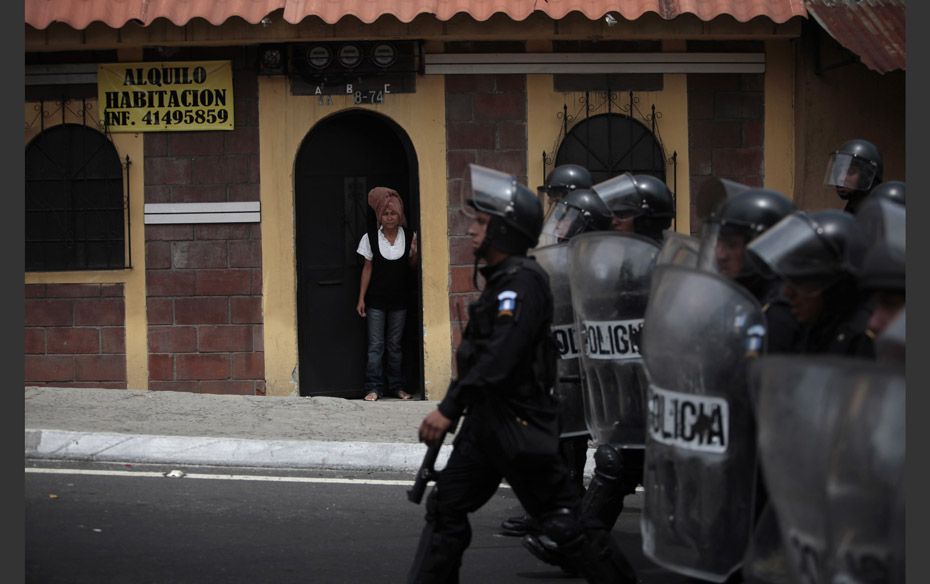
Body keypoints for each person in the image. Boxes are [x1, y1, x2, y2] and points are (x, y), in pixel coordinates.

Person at [408, 164, 636, 584]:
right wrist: (456, 411)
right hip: (486, 424)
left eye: (481, 223)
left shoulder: (523, 283)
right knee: (447, 508)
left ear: (503, 232)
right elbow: (478, 359)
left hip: (519, 424)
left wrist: (447, 409)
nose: (473, 231)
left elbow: (501, 357)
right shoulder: (502, 282)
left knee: (565, 524)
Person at [500, 186, 613, 538]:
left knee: (570, 447)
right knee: (556, 444)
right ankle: (559, 511)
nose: (559, 223)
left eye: (567, 217)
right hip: (557, 366)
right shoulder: (556, 257)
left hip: (579, 368)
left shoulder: (594, 263)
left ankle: (567, 524)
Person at [746, 209, 873, 357]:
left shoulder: (862, 342)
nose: (787, 293)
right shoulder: (819, 326)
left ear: (839, 288)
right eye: (787, 280)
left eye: (802, 283)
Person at [707, 187, 799, 353]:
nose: (720, 255)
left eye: (731, 245)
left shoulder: (779, 315)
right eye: (718, 243)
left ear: (765, 247)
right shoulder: (739, 295)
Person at [356, 188, 418, 401]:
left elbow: (412, 266)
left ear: (399, 216)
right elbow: (367, 268)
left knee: (395, 346)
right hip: (376, 300)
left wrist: (414, 254)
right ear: (379, 216)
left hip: (399, 300)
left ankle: (396, 386)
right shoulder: (370, 237)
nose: (390, 217)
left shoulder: (410, 237)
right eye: (386, 214)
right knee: (375, 346)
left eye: (393, 214)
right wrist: (361, 298)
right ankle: (373, 387)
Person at [823, 138, 883, 214]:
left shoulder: (876, 215)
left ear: (866, 177)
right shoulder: (853, 208)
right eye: (839, 171)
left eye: (850, 172)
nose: (840, 178)